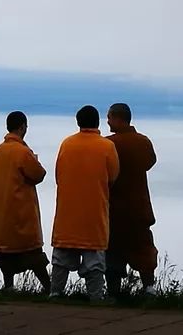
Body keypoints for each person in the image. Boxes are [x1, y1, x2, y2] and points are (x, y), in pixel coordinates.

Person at [49, 105, 120, 301]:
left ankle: (55, 292)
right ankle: (95, 297)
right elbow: (113, 176)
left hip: (67, 211)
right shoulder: (106, 146)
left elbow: (58, 174)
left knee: (62, 256)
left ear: (78, 122)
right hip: (94, 210)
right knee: (94, 258)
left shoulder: (67, 144)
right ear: (97, 122)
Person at [0, 110, 51, 293]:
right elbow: (38, 174)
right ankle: (50, 289)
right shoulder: (21, 151)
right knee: (33, 254)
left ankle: (8, 287)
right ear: (23, 127)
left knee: (6, 254)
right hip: (21, 212)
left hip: (2, 212)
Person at [105, 103, 159, 296]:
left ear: (118, 118)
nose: (108, 121)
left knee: (112, 252)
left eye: (109, 117)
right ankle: (149, 288)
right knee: (144, 248)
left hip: (114, 209)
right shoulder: (143, 142)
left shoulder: (108, 144)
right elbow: (150, 162)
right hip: (139, 207)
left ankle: (113, 292)